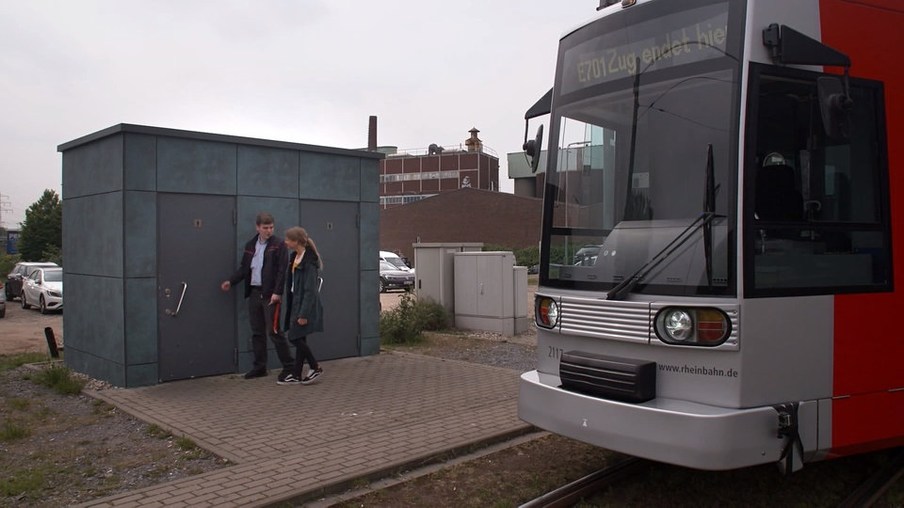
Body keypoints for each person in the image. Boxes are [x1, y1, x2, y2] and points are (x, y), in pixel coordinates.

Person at [221, 212, 295, 380]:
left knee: (274, 331)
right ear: (257, 227)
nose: (268, 231)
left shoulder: (278, 245)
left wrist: (278, 292)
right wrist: (231, 282)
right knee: (257, 332)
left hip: (270, 295)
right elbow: (244, 268)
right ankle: (260, 367)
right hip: (254, 293)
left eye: (271, 227)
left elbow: (282, 270)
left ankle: (289, 366)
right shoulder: (250, 245)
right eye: (265, 228)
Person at [277, 226, 324, 385]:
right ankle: (296, 374)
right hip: (295, 302)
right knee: (300, 337)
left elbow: (310, 290)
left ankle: (315, 366)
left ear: (296, 241)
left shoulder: (309, 262)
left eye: (288, 240)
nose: (286, 242)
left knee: (294, 336)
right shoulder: (294, 257)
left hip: (305, 305)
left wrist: (303, 314)